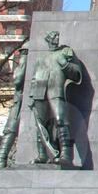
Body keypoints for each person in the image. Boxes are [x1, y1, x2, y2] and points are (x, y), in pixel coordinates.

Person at [29, 30, 82, 167]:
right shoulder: (41, 58)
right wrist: (31, 96)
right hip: (39, 90)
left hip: (56, 90)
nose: (56, 38)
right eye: (54, 36)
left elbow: (76, 73)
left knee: (61, 120)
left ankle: (66, 154)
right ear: (48, 39)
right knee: (40, 124)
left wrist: (65, 65)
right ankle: (42, 154)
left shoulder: (65, 52)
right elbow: (34, 78)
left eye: (58, 36)